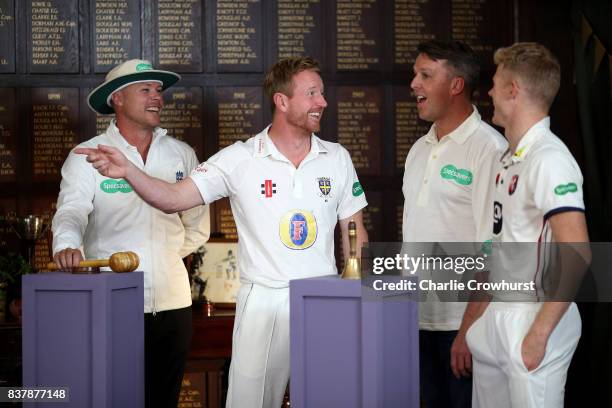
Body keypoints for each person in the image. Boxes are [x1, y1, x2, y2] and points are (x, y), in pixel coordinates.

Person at [74, 56, 369, 408]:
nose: (322, 102)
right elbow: (173, 199)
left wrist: (356, 294)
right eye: (312, 93)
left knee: (332, 400)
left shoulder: (337, 157)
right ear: (282, 100)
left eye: (321, 93)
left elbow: (355, 232)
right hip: (263, 298)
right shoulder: (239, 158)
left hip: (325, 295)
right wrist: (129, 171)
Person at [51, 59, 210, 408]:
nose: (157, 97)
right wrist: (67, 244)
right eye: (146, 89)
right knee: (111, 398)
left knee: (163, 400)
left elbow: (198, 228)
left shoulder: (181, 153)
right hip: (111, 301)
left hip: (173, 302)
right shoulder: (87, 156)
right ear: (116, 99)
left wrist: (162, 257)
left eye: (159, 90)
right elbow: (72, 211)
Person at [465, 42, 590, 407]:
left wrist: (539, 334)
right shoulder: (510, 156)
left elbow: (578, 253)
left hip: (534, 315)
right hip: (498, 315)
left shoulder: (549, 158)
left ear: (512, 91)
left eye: (494, 83)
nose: (488, 92)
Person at [402, 40, 507, 408]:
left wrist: (468, 331)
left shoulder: (489, 150)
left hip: (462, 328)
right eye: (416, 74)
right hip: (415, 323)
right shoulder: (418, 151)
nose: (413, 83)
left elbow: (493, 252)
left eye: (425, 75)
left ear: (456, 85)